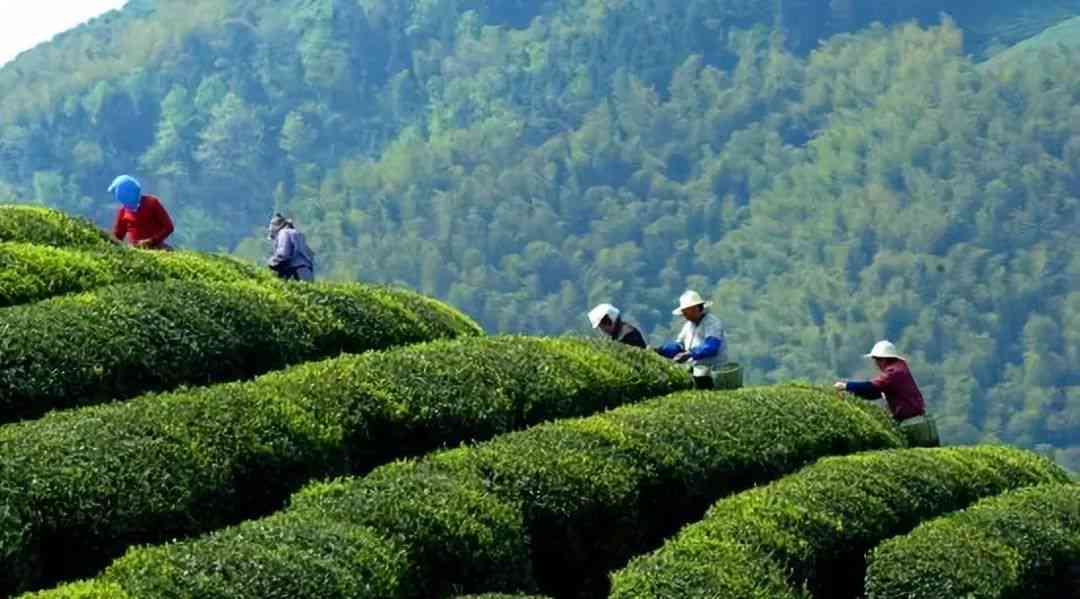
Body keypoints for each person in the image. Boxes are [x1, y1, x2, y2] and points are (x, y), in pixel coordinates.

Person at [834, 340, 939, 447]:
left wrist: (846, 386)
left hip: (913, 425)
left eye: (877, 360)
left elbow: (871, 387)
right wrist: (850, 392)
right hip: (915, 422)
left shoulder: (894, 373)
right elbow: (874, 393)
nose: (876, 364)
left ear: (883, 359)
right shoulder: (899, 368)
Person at [656, 290, 727, 389]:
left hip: (712, 372)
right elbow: (679, 345)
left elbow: (711, 347)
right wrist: (661, 350)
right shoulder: (688, 326)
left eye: (686, 310)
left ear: (696, 308)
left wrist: (689, 353)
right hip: (695, 371)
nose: (684, 314)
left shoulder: (712, 322)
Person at [109, 175, 175, 250]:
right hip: (136, 250)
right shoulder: (123, 211)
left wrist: (151, 241)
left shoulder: (152, 203)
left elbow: (168, 227)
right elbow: (117, 236)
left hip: (157, 247)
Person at [267, 213, 315, 281]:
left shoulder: (284, 233)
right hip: (307, 271)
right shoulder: (298, 234)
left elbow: (283, 254)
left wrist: (271, 262)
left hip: (295, 271)